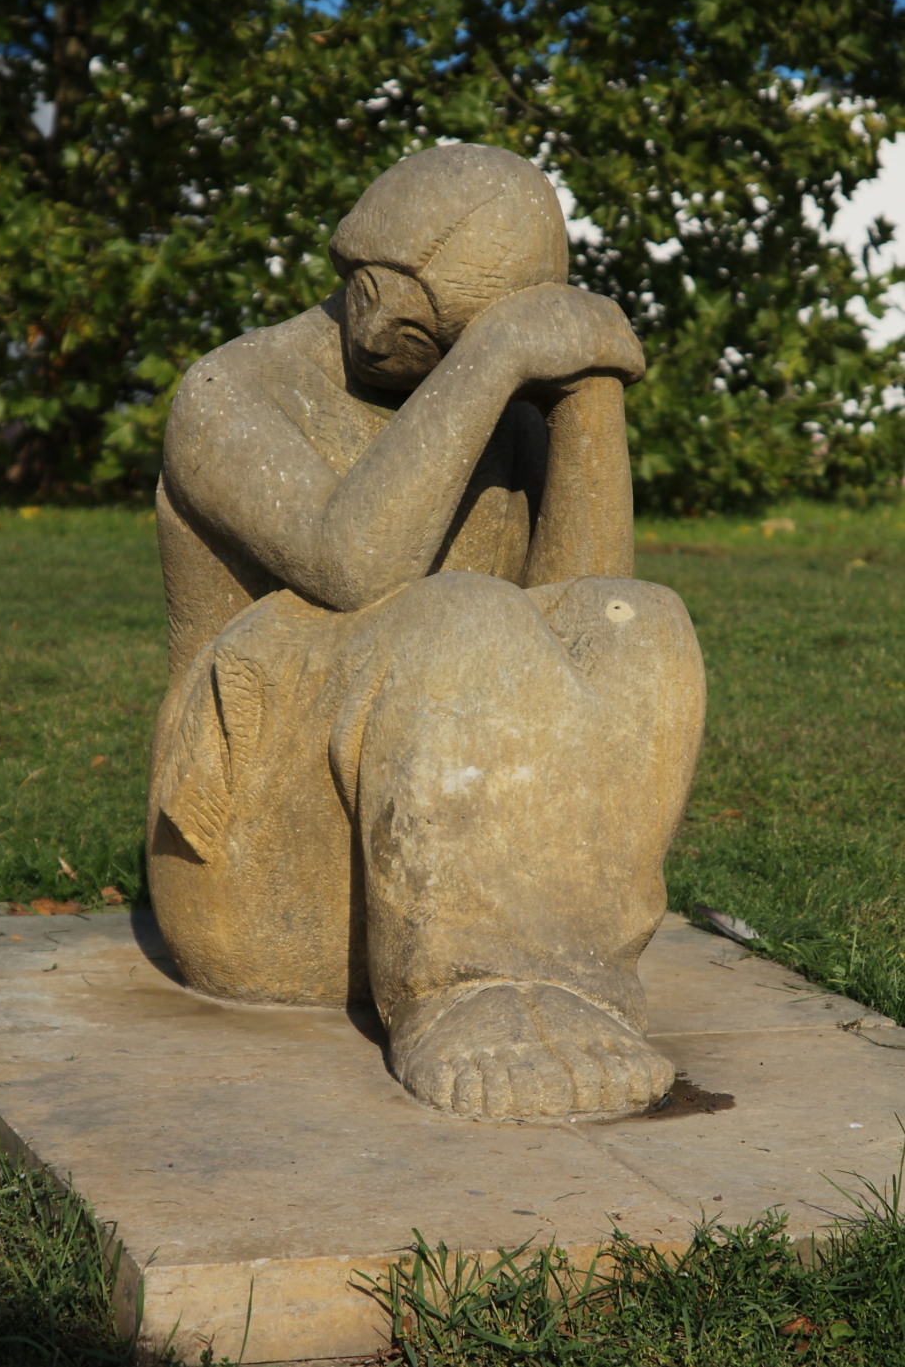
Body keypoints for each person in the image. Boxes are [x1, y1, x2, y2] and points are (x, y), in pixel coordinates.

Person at [148, 144, 705, 1122]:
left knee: (640, 621)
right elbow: (350, 567)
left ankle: (565, 972)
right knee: (459, 605)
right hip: (259, 858)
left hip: (440, 839)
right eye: (447, 341)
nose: (462, 368)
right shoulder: (228, 396)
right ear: (371, 297)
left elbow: (580, 615)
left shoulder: (501, 409)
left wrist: (583, 399)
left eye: (484, 342)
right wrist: (495, 358)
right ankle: (470, 987)